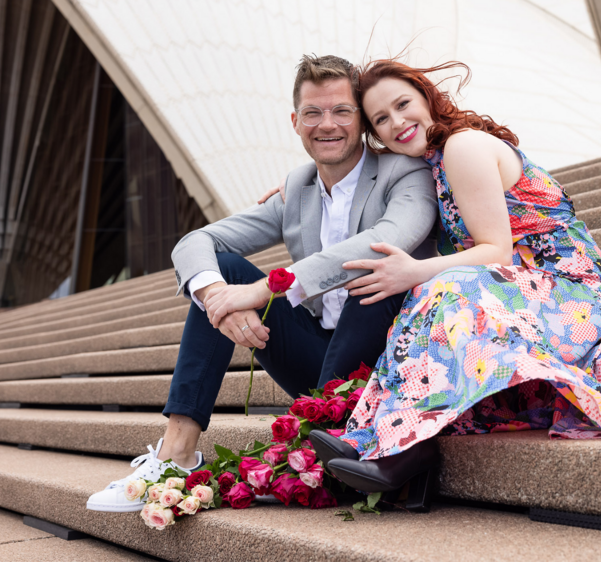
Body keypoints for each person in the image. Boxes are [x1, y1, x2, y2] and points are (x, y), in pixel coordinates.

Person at [308, 59, 601, 510]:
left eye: (403, 104)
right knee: (440, 288)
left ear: (427, 98)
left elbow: (496, 251)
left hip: (574, 294)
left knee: (440, 286)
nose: (397, 122)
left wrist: (414, 272)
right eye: (381, 119)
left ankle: (398, 446)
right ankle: (379, 440)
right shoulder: (434, 165)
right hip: (529, 291)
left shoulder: (463, 147)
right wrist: (297, 187)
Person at [86, 55, 438, 513]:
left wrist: (262, 291)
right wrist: (218, 297)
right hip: (319, 362)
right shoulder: (298, 188)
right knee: (222, 270)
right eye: (313, 113)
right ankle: (177, 454)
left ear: (363, 120)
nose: (326, 124)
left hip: (389, 365)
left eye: (341, 111)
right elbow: (197, 240)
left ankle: (332, 442)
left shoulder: (404, 172)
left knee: (372, 277)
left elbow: (384, 242)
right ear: (296, 121)